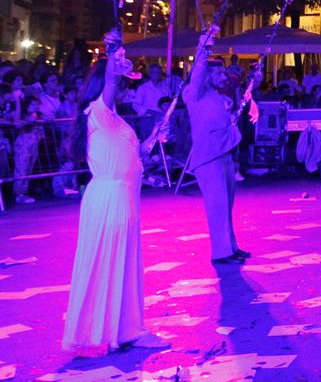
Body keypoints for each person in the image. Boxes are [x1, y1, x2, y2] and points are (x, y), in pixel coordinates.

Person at [63, 30, 169, 353]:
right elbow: (109, 81)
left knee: (123, 265)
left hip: (124, 197)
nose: (122, 88)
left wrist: (153, 139)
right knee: (111, 264)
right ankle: (123, 331)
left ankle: (123, 330)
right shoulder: (97, 112)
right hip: (110, 199)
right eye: (119, 83)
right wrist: (114, 50)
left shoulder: (115, 121)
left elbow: (135, 158)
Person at [184, 25, 246, 265]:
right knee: (217, 203)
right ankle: (220, 252)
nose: (224, 77)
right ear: (207, 76)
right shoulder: (194, 92)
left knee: (227, 204)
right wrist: (204, 47)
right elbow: (198, 72)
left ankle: (231, 246)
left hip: (224, 155)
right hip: (207, 158)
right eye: (219, 74)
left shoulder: (218, 97)